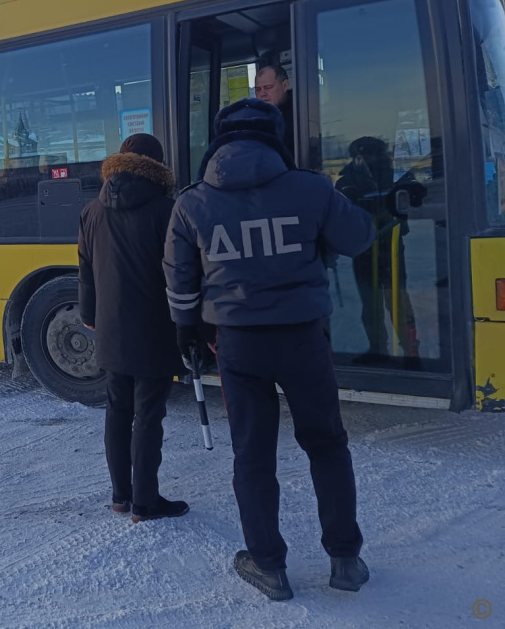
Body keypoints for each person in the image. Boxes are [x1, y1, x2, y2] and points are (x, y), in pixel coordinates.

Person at [163, 99, 375, 601]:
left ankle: (269, 566)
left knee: (252, 457)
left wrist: (185, 329)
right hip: (304, 339)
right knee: (326, 444)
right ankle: (345, 560)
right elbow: (360, 237)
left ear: (218, 141)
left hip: (237, 345)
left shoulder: (193, 202)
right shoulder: (310, 187)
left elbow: (179, 277)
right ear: (275, 136)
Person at [78, 133, 189, 524]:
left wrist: (90, 316)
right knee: (148, 416)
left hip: (109, 327)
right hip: (155, 329)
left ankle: (120, 496)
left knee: (116, 410)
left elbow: (87, 272)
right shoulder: (168, 210)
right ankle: (146, 502)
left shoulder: (92, 210)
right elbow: (181, 273)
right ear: (157, 166)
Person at [335, 136, 426, 366]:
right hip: (363, 247)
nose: (363, 160)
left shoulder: (398, 176)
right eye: (358, 156)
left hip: (392, 242)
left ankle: (411, 351)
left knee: (397, 299)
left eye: (369, 155)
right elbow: (341, 208)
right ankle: (377, 349)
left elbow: (418, 195)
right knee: (369, 302)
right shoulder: (347, 180)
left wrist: (412, 192)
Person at [254, 64, 294, 160]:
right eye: (258, 89)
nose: (262, 94)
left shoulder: (300, 111)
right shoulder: (254, 117)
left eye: (268, 87)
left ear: (285, 86)